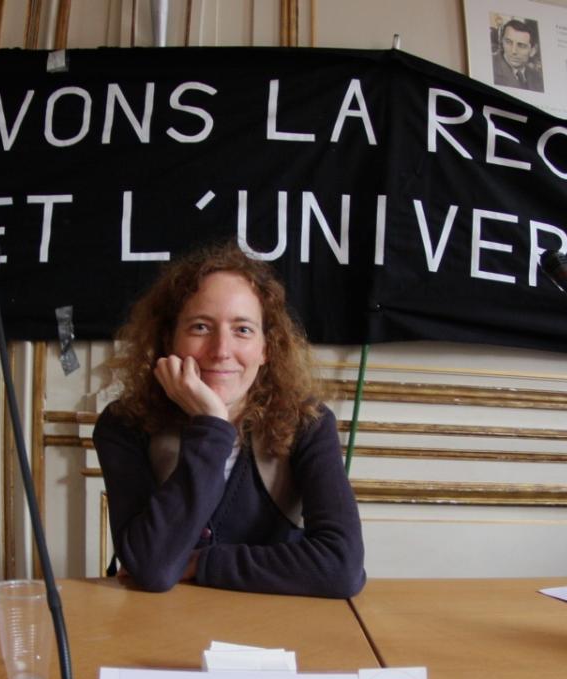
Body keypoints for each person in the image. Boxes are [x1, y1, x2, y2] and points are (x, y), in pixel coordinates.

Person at [93, 240, 366, 598]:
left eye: (243, 330)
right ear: (168, 340)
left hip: (271, 629)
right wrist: (213, 426)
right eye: (201, 328)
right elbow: (153, 568)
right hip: (157, 626)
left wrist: (198, 563)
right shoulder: (124, 424)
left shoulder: (308, 423)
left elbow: (341, 568)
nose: (221, 351)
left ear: (266, 348)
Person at [492, 18, 544, 92]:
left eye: (521, 45)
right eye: (508, 42)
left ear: (533, 50)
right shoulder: (491, 68)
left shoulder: (538, 77)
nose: (513, 51)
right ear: (502, 41)